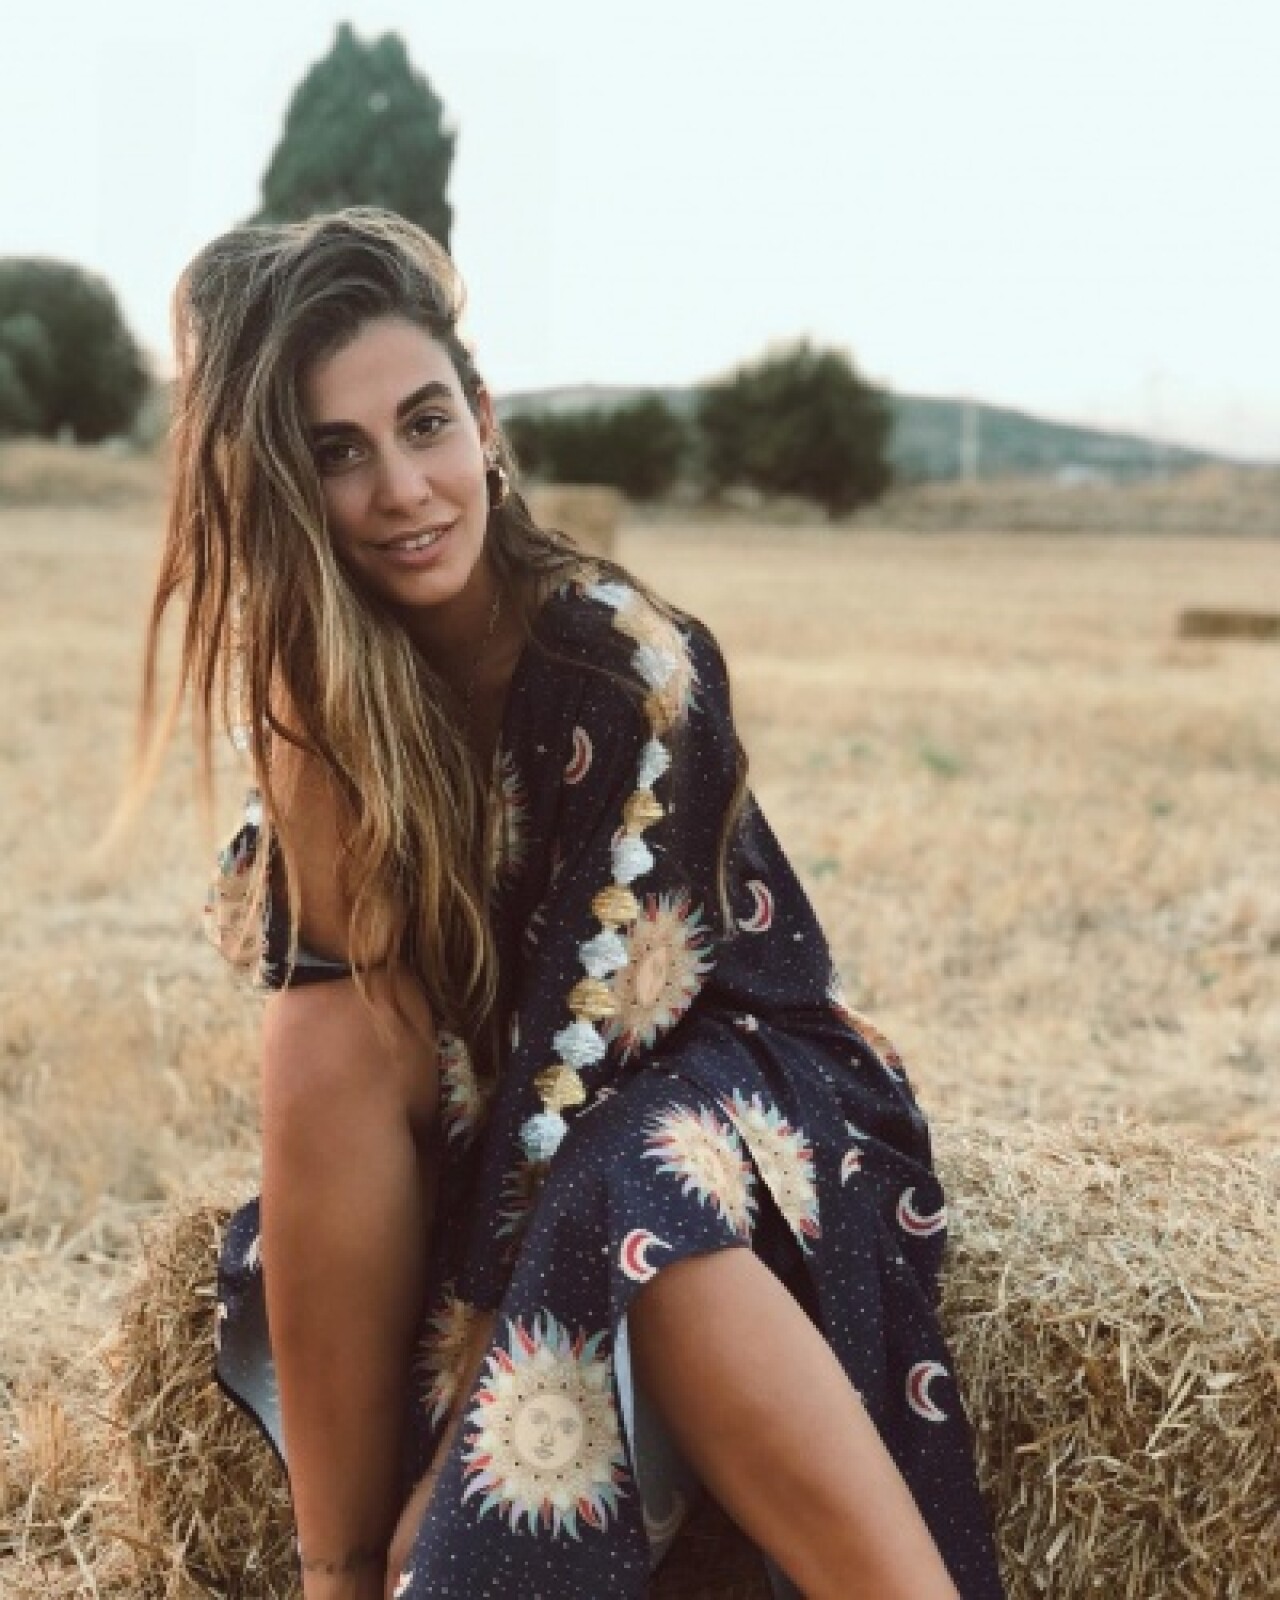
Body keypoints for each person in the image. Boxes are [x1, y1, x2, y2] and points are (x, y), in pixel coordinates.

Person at [139, 207, 1005, 1599]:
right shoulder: (329, 686)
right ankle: (335, 1575)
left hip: (729, 1070)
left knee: (631, 1186)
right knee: (329, 1036)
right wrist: (313, 744)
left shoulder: (627, 669)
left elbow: (587, 1053)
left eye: (426, 425)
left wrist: (467, 1444)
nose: (404, 489)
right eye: (338, 454)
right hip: (508, 1105)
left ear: (485, 423)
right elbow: (316, 992)